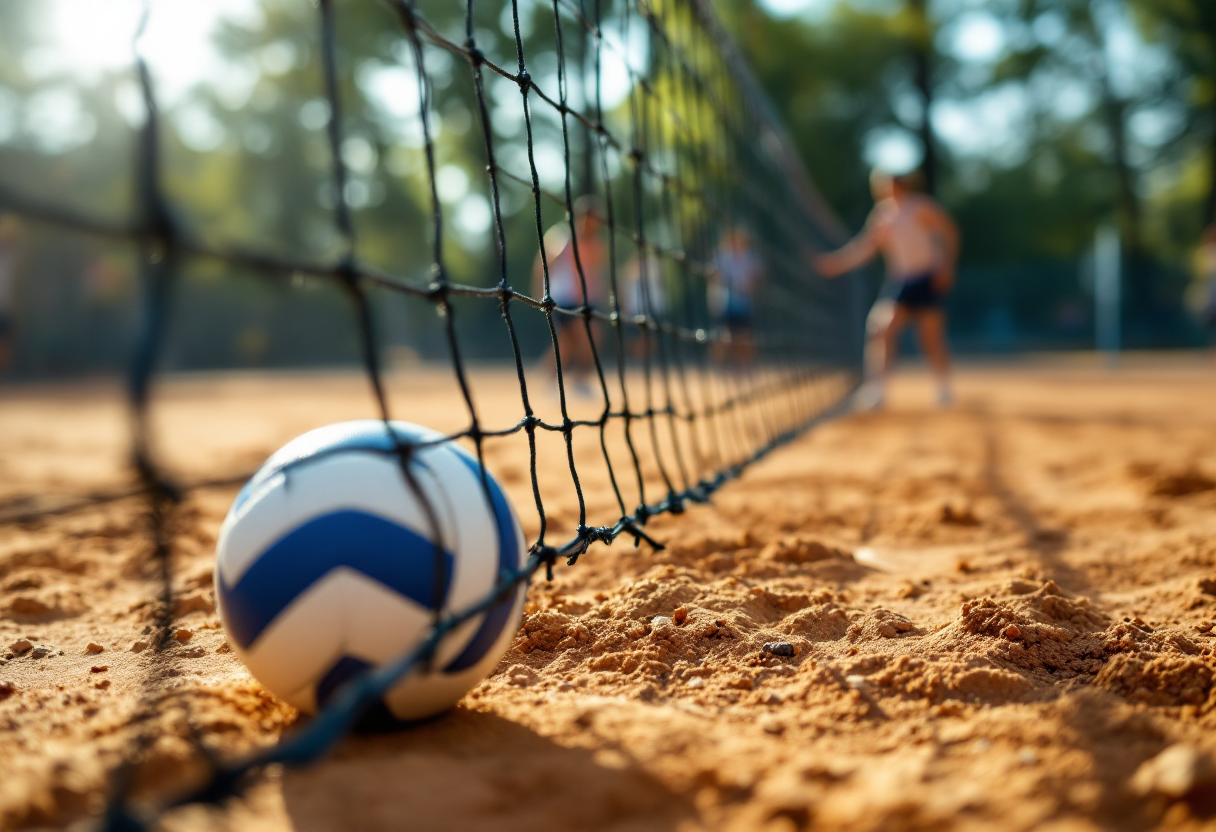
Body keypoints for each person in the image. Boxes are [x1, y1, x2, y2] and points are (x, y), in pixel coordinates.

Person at [815, 169, 959, 409]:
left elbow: (949, 232)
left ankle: (943, 386)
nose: (887, 188)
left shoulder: (921, 207)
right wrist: (837, 263)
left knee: (930, 336)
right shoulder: (883, 215)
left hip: (927, 279)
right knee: (880, 328)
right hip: (902, 282)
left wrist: (946, 266)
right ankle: (877, 390)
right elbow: (865, 247)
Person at [534, 195, 606, 396]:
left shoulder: (594, 243)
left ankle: (553, 380)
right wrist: (541, 292)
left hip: (585, 300)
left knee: (568, 342)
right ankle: (577, 382)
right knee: (586, 337)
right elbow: (544, 264)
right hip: (563, 298)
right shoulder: (563, 237)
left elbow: (593, 271)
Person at [709, 225, 763, 365]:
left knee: (744, 337)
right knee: (724, 337)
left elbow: (756, 278)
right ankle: (718, 367)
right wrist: (713, 299)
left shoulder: (749, 257)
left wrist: (749, 286)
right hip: (725, 304)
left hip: (743, 304)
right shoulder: (721, 257)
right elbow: (714, 279)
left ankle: (745, 367)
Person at [0, 215, 19, 373]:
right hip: (5, 308)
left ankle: (5, 370)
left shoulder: (9, 260)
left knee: (5, 343)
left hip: (5, 308)